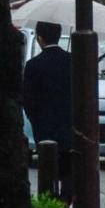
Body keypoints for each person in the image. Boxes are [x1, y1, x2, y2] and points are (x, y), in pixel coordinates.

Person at [23, 20, 72, 198]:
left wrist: (34, 118)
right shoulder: (72, 60)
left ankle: (50, 204)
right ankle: (66, 203)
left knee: (47, 171)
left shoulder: (33, 65)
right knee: (68, 172)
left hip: (43, 127)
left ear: (40, 38)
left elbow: (27, 99)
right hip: (68, 126)